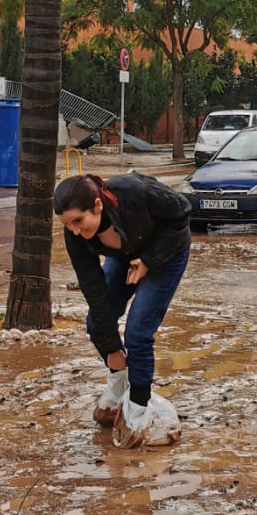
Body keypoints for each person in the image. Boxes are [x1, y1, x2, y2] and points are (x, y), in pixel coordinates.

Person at [53, 171, 191, 448]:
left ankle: (139, 407)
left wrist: (150, 261)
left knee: (138, 333)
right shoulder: (75, 235)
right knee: (96, 324)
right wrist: (112, 348)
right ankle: (117, 387)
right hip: (125, 256)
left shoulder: (137, 192)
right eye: (68, 225)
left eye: (79, 221)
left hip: (166, 253)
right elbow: (94, 290)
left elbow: (182, 213)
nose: (76, 231)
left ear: (98, 205)